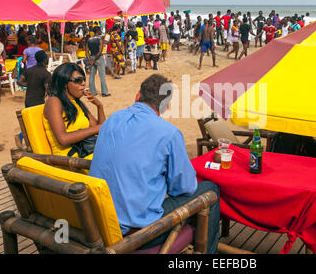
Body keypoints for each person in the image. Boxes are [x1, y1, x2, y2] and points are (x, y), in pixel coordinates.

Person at [89, 74, 220, 253]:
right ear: (166, 107)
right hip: (139, 233)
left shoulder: (111, 120)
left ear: (137, 96)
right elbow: (184, 188)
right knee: (210, 189)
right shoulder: (169, 133)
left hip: (99, 222)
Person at [43, 63, 106, 159]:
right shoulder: (54, 102)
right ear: (64, 84)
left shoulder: (76, 103)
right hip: (70, 159)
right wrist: (97, 128)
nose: (83, 83)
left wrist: (99, 106)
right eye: (78, 81)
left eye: (84, 80)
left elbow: (101, 130)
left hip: (87, 152)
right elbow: (63, 139)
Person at [85, 27, 110, 96]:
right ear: (98, 31)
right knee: (102, 75)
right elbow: (99, 52)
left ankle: (92, 92)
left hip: (92, 57)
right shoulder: (100, 40)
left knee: (91, 75)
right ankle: (104, 92)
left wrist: (90, 60)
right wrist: (94, 60)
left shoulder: (89, 40)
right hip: (99, 58)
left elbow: (86, 51)